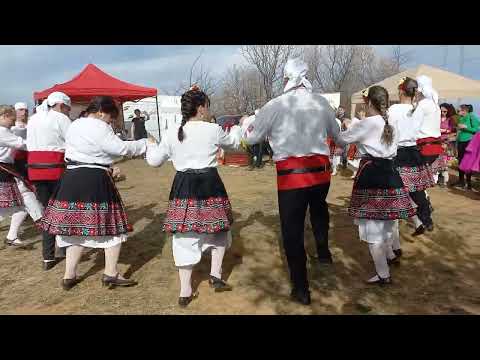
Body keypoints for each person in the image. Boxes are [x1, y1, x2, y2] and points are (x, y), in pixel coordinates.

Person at [240, 58, 343, 305]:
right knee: (319, 210)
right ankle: (323, 252)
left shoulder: (275, 105)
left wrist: (244, 126)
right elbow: (337, 136)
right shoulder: (321, 102)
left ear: (286, 79)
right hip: (321, 173)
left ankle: (301, 288)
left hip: (292, 176)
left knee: (292, 230)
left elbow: (253, 138)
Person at [39, 96, 147, 291]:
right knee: (113, 229)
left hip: (71, 177)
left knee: (75, 229)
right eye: (110, 118)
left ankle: (69, 275)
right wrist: (143, 144)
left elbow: (97, 150)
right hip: (93, 179)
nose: (110, 122)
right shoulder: (99, 126)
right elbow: (119, 148)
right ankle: (111, 273)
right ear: (101, 112)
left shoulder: (74, 124)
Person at [146, 85, 240, 308]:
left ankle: (185, 290)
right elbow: (235, 145)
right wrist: (237, 129)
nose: (208, 110)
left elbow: (154, 161)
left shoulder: (171, 133)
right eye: (207, 106)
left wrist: (149, 145)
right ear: (200, 108)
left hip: (184, 186)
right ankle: (215, 275)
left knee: (184, 237)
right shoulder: (213, 130)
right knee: (218, 231)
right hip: (209, 183)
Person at [340, 86, 415, 285]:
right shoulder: (390, 123)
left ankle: (383, 274)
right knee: (387, 223)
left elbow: (342, 140)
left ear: (369, 103)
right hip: (390, 174)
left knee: (372, 229)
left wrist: (345, 124)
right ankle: (389, 257)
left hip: (373, 176)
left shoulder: (368, 123)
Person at [26, 92, 72, 271]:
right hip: (55, 167)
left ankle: (48, 256)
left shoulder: (34, 118)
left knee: (48, 211)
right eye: (68, 108)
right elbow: (72, 141)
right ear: (61, 106)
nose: (68, 112)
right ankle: (65, 248)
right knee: (62, 209)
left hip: (35, 169)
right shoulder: (61, 118)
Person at [391, 77, 435, 240]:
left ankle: (394, 241)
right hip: (414, 152)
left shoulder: (394, 109)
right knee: (415, 190)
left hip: (399, 153)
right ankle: (422, 219)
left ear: (401, 91)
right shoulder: (418, 108)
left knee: (397, 192)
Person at [0, 105, 43, 246]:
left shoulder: (5, 130)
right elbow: (23, 144)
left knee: (20, 203)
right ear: (5, 116)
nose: (13, 120)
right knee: (19, 205)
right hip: (3, 170)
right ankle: (13, 235)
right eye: (12, 117)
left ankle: (12, 236)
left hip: (6, 170)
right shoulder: (2, 131)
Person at [411, 75, 441, 231]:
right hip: (433, 149)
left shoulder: (423, 105)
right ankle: (425, 207)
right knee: (417, 183)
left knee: (412, 183)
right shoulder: (435, 104)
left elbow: (412, 127)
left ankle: (425, 214)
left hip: (424, 148)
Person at [452, 104, 479, 190]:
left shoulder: (471, 117)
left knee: (467, 162)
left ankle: (469, 183)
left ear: (464, 111)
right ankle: (461, 181)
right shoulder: (460, 118)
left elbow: (477, 129)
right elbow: (459, 131)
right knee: (460, 161)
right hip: (461, 142)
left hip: (469, 142)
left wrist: (466, 127)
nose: (457, 112)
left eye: (459, 110)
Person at [435, 103, 457, 186]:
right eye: (441, 111)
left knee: (445, 162)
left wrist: (446, 133)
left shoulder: (450, 120)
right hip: (437, 142)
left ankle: (444, 180)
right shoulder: (436, 118)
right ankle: (437, 178)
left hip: (446, 143)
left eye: (444, 111)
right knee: (436, 161)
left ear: (448, 111)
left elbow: (454, 132)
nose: (442, 113)